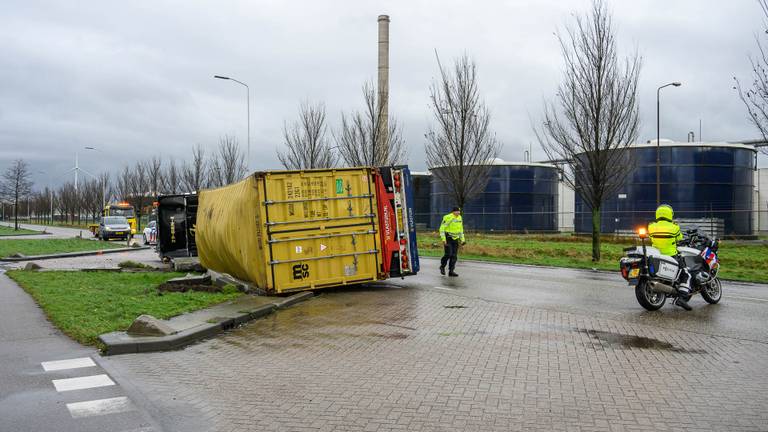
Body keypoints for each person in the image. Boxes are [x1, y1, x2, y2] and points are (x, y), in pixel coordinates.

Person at [648, 204, 692, 311]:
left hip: (656, 255)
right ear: (670, 214)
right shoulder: (674, 227)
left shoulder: (651, 226)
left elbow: (650, 237)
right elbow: (680, 238)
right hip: (671, 256)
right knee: (686, 274)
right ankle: (682, 297)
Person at [439, 206, 465, 277]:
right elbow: (442, 229)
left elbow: (461, 229)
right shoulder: (447, 217)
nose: (458, 212)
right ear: (453, 211)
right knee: (448, 254)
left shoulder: (460, 217)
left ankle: (451, 271)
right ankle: (442, 266)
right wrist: (443, 239)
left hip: (455, 239)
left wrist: (462, 240)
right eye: (457, 211)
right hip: (448, 238)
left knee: (454, 256)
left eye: (459, 211)